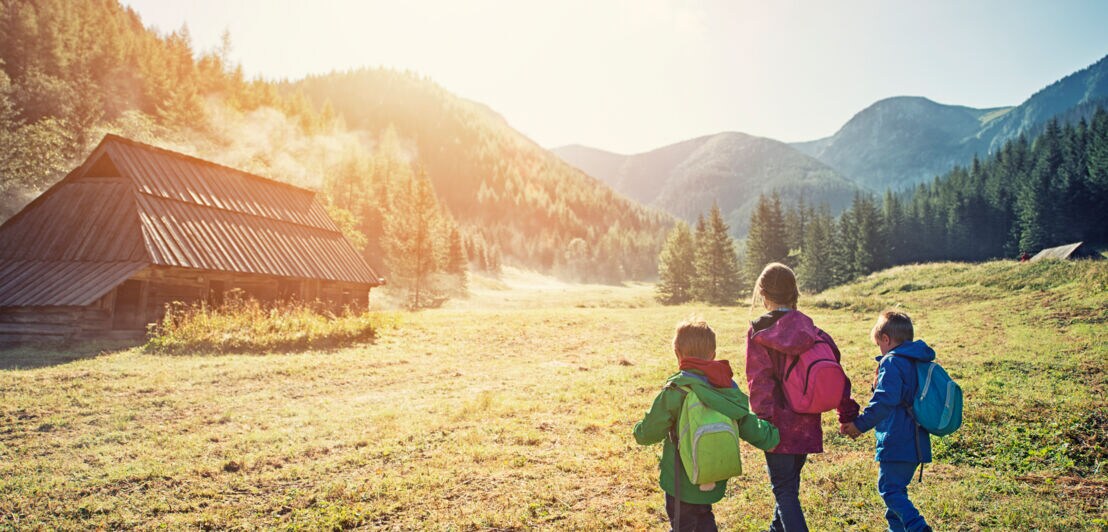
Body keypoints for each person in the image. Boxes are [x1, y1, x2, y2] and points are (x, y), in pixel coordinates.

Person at [634, 317, 780, 531]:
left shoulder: (676, 390)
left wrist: (638, 431)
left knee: (683, 525)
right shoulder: (726, 387)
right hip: (712, 474)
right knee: (704, 517)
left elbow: (648, 433)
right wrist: (772, 437)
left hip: (680, 481)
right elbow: (746, 422)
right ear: (713, 354)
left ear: (678, 354)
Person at [745, 263, 859, 532]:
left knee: (784, 493)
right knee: (787, 490)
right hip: (807, 424)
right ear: (794, 292)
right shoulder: (812, 329)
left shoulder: (759, 332)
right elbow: (835, 372)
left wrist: (763, 423)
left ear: (763, 294)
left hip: (777, 425)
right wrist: (847, 414)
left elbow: (758, 381)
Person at [841, 310, 934, 532]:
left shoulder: (893, 362)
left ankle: (918, 528)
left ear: (886, 339)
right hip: (916, 440)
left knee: (889, 490)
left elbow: (884, 400)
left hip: (897, 440)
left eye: (879, 344)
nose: (880, 350)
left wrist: (859, 424)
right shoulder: (915, 360)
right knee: (895, 497)